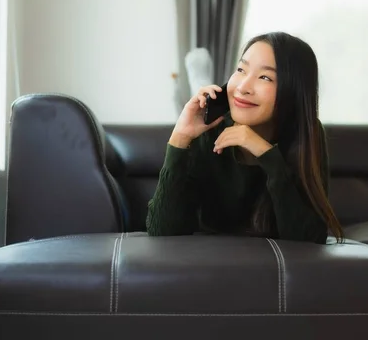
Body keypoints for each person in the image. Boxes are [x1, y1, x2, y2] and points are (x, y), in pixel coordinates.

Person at [146, 32, 343, 244]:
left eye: (265, 77)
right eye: (241, 70)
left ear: (292, 91)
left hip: (272, 272)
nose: (242, 87)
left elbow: (310, 239)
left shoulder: (306, 134)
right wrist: (180, 137)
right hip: (209, 268)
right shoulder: (210, 129)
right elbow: (161, 231)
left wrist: (267, 155)